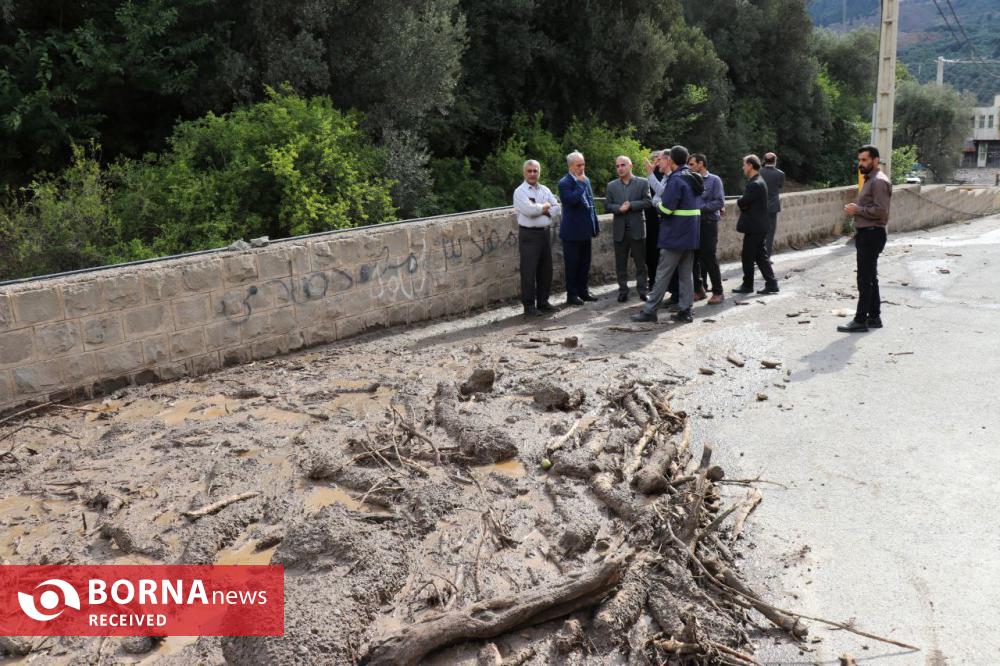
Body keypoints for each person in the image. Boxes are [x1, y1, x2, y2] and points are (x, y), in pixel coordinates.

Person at [631, 145, 703, 324]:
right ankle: (685, 310)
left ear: (670, 161)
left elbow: (666, 209)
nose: (660, 162)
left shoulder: (676, 180)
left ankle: (649, 311)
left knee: (663, 274)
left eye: (663, 159)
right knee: (686, 275)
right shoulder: (692, 177)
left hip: (674, 236)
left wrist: (656, 203)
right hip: (690, 235)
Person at [838, 144, 891, 333]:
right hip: (867, 233)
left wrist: (857, 210)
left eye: (865, 160)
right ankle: (874, 317)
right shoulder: (870, 179)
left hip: (871, 233)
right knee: (870, 277)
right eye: (859, 160)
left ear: (875, 161)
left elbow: (881, 211)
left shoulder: (878, 181)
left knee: (864, 279)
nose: (861, 163)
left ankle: (860, 320)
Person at [513, 159, 562, 316]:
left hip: (544, 233)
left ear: (539, 172)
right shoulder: (520, 191)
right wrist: (546, 207)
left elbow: (557, 209)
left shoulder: (545, 190)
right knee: (529, 271)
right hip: (528, 235)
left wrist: (542, 209)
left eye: (535, 171)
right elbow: (529, 211)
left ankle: (543, 302)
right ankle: (529, 306)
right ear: (524, 172)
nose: (533, 174)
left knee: (545, 270)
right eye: (530, 171)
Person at [605, 156, 652, 302]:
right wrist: (619, 208)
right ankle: (623, 291)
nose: (620, 168)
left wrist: (631, 205)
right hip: (620, 230)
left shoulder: (643, 182)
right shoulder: (611, 186)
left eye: (623, 165)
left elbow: (648, 202)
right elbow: (607, 205)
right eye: (617, 166)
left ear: (630, 165)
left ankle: (642, 291)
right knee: (620, 263)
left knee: (640, 263)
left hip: (637, 228)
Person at [733, 154, 779, 295]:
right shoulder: (757, 181)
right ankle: (772, 284)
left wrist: (741, 201)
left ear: (751, 165)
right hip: (759, 226)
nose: (743, 167)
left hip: (755, 227)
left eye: (744, 164)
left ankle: (748, 285)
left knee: (747, 256)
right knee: (760, 256)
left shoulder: (755, 184)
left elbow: (743, 202)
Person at [558, 151, 600, 305]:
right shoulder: (565, 183)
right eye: (578, 165)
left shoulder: (585, 180)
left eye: (583, 164)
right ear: (570, 166)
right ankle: (572, 294)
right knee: (572, 265)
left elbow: (591, 204)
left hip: (585, 231)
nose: (582, 168)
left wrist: (595, 226)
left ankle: (584, 291)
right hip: (572, 232)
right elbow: (571, 201)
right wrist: (581, 184)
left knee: (584, 264)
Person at [687, 153, 725, 304]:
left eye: (691, 164)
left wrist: (699, 208)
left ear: (701, 164)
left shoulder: (714, 180)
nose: (689, 167)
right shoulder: (689, 180)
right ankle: (698, 289)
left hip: (708, 224)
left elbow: (719, 202)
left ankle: (718, 292)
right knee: (692, 258)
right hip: (693, 224)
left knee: (709, 258)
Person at [643, 150, 666, 292]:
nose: (657, 162)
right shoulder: (647, 179)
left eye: (659, 159)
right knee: (651, 251)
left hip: (664, 219)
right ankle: (652, 280)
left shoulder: (666, 176)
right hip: (651, 220)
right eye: (655, 159)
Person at [760, 152, 785, 260]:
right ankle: (766, 257)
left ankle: (758, 256)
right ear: (775, 161)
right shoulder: (780, 174)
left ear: (764, 160)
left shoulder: (758, 172)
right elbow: (780, 186)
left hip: (759, 206)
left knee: (759, 232)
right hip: (772, 207)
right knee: (770, 234)